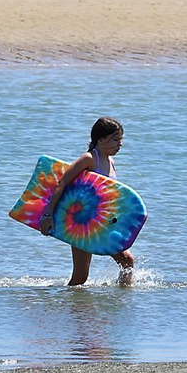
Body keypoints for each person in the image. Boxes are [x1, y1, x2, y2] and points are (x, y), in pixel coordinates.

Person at [40, 117, 137, 287]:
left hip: (102, 223)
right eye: (116, 139)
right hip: (82, 223)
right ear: (100, 139)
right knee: (80, 277)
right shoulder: (89, 159)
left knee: (127, 261)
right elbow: (62, 183)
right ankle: (72, 308)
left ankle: (122, 299)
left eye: (121, 139)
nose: (120, 144)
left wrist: (116, 220)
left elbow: (107, 197)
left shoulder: (111, 162)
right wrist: (48, 214)